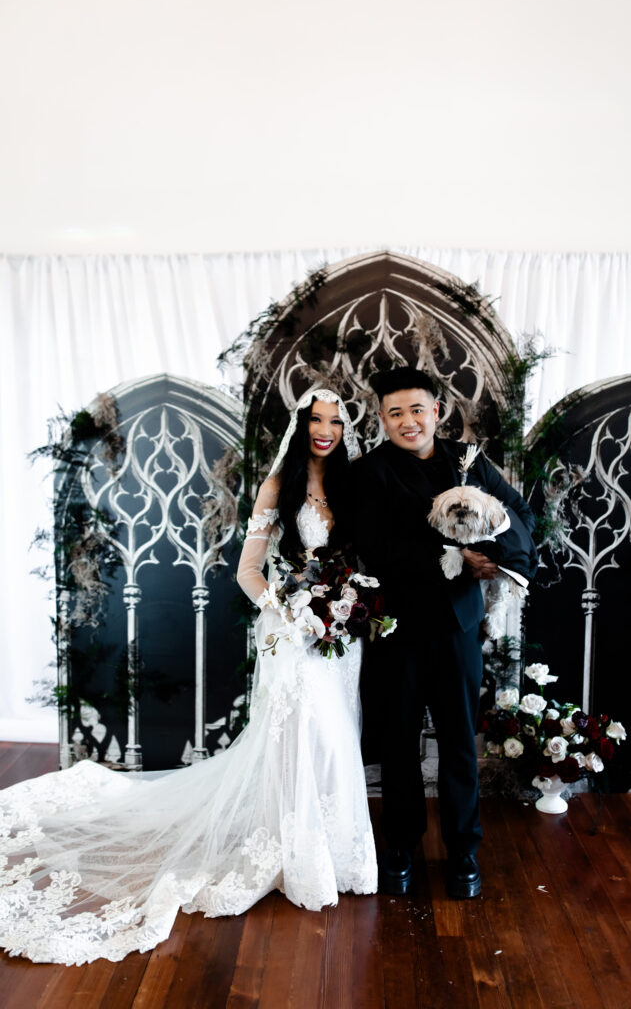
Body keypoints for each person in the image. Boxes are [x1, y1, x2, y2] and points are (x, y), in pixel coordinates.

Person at [0, 388, 376, 966]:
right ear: (299, 427)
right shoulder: (280, 486)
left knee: (333, 739)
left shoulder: (354, 486)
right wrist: (285, 607)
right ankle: (293, 853)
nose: (324, 430)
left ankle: (334, 850)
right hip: (289, 637)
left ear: (345, 429)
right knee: (300, 737)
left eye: (334, 421)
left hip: (338, 639)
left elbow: (361, 561)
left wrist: (344, 604)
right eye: (314, 420)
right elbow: (249, 571)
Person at [352, 367, 537, 899]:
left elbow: (517, 513)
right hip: (398, 626)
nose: (408, 422)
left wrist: (496, 561)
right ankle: (402, 848)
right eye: (394, 413)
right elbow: (379, 550)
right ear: (383, 419)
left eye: (417, 409)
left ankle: (464, 853)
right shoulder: (371, 473)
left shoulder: (470, 460)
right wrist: (456, 555)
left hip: (458, 626)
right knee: (400, 743)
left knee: (459, 743)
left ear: (437, 410)